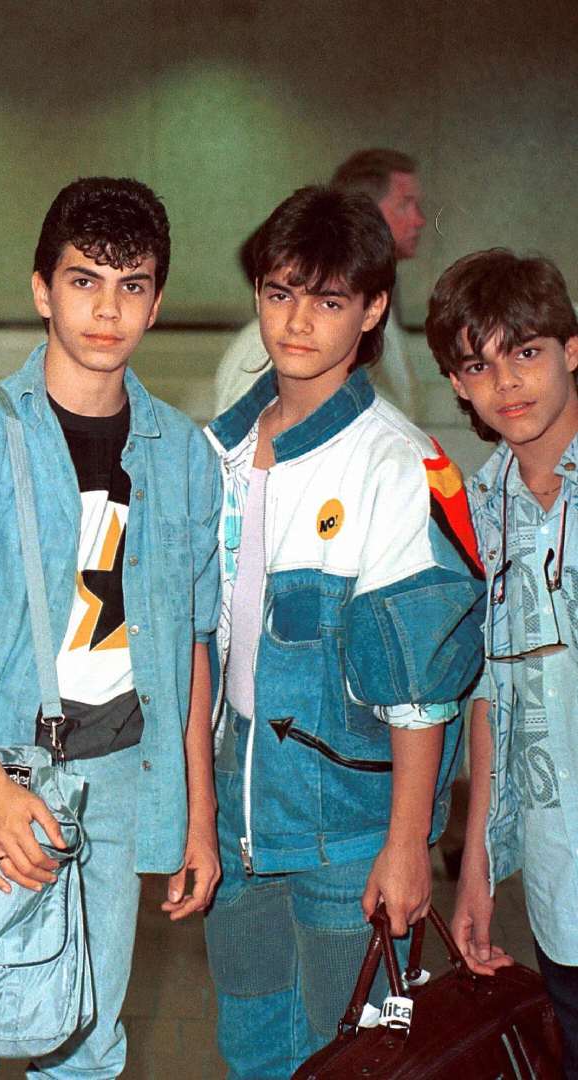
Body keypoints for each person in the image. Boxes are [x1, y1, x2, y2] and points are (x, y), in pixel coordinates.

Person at [0, 176, 222, 1078]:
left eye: (132, 285)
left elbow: (191, 637)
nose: (107, 310)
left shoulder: (182, 454)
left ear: (156, 301)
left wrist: (198, 810)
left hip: (117, 774)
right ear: (42, 290)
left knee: (86, 1037)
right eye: (84, 281)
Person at [203, 185, 485, 1079]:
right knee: (253, 1045)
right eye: (281, 293)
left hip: (349, 832)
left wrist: (408, 847)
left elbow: (420, 688)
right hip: (239, 823)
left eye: (328, 301)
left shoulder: (394, 464)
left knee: (357, 1058)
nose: (298, 322)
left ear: (369, 311)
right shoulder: (215, 452)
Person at [429, 250, 578, 1075]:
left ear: (572, 349)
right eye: (479, 364)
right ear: (458, 384)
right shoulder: (478, 514)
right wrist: (477, 871)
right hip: (563, 888)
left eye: (527, 352)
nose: (507, 382)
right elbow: (491, 698)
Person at [212, 148, 427, 417]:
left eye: (329, 304)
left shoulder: (376, 312)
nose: (420, 220)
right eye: (404, 205)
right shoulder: (268, 347)